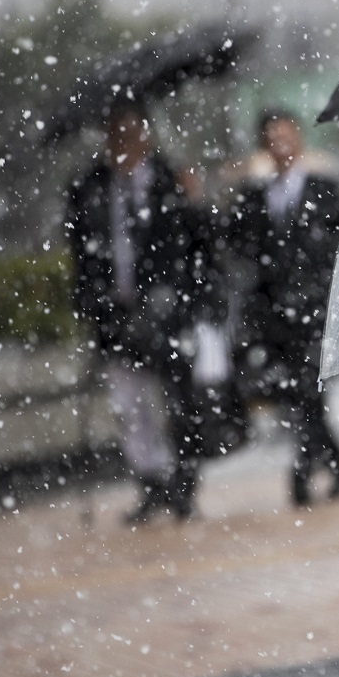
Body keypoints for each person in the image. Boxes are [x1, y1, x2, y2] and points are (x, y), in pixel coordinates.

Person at [66, 97, 213, 525]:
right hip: (116, 317)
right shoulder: (89, 187)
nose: (124, 142)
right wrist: (93, 305)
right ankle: (150, 483)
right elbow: (81, 255)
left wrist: (196, 201)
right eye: (116, 133)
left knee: (179, 402)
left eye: (132, 132)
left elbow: (202, 244)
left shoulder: (172, 180)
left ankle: (183, 484)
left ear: (147, 135)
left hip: (169, 312)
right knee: (131, 408)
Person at [226, 109, 339, 506]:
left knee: (307, 390)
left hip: (316, 312)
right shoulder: (254, 195)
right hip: (275, 316)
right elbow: (235, 244)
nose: (281, 144)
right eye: (272, 138)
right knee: (299, 395)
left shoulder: (325, 188)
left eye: (287, 135)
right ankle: (335, 461)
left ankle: (302, 472)